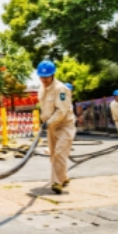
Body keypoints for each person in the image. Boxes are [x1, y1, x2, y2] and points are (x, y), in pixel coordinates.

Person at [36, 60, 76, 194]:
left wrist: (48, 122)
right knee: (53, 155)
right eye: (41, 77)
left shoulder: (61, 89)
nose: (44, 80)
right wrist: (43, 120)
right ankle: (63, 177)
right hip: (51, 126)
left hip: (64, 125)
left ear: (52, 75)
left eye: (46, 77)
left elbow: (61, 111)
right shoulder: (42, 89)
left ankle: (57, 182)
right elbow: (44, 108)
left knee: (60, 152)